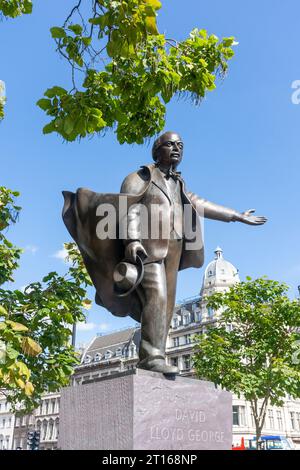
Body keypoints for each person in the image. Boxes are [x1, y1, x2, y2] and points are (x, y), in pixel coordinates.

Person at [62, 131, 267, 375]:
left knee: (166, 307)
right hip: (148, 249)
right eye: (170, 144)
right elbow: (130, 209)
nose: (177, 148)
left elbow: (201, 205)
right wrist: (132, 241)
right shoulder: (141, 177)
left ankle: (153, 356)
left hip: (175, 250)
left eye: (180, 145)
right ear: (156, 151)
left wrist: (236, 216)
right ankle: (151, 358)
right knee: (156, 297)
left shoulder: (178, 184)